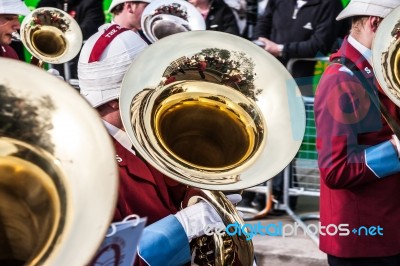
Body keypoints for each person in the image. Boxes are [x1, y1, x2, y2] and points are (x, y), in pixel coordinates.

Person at [78, 23, 241, 266]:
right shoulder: (84, 163)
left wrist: (207, 193)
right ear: (114, 101)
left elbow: (174, 190)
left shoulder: (139, 133)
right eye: (143, 86)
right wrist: (182, 226)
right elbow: (109, 260)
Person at [314, 0, 400, 265]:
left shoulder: (380, 67)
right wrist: (395, 149)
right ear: (376, 23)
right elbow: (335, 169)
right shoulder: (341, 79)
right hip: (365, 241)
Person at [253, 0, 346, 96]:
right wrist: (262, 41)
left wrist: (280, 49)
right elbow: (262, 24)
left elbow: (319, 45)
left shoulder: (331, 4)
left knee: (295, 109)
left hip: (300, 81)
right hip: (268, 75)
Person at [36, 0, 105, 79]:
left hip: (81, 61)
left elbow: (90, 27)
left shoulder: (91, 2)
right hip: (56, 61)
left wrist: (60, 35)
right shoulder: (46, 3)